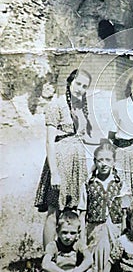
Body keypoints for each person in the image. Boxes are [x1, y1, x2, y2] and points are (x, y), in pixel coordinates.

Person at [34, 68, 93, 248]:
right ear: (69, 82)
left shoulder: (82, 107)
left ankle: (68, 254)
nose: (80, 89)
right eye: (78, 84)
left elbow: (85, 137)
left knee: (73, 210)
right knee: (54, 211)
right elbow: (49, 142)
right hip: (60, 161)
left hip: (78, 161)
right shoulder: (56, 105)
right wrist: (54, 173)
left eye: (84, 86)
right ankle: (48, 258)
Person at [78, 140, 123, 272]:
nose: (104, 164)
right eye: (100, 160)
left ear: (114, 162)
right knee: (95, 254)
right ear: (95, 162)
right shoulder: (88, 184)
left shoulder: (120, 182)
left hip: (115, 229)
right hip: (94, 229)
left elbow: (124, 212)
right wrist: (82, 238)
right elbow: (82, 212)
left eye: (108, 160)